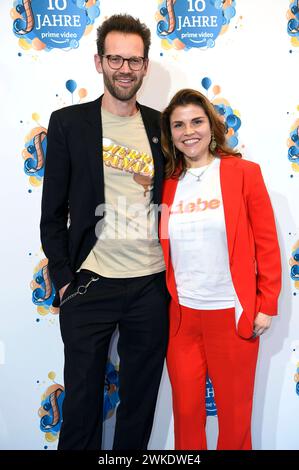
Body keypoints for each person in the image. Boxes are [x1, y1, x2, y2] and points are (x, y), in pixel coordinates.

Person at [40, 14, 169, 450]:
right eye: (115, 58)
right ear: (99, 62)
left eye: (134, 60)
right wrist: (63, 282)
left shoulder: (162, 125)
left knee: (139, 404)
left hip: (151, 286)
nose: (125, 69)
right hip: (89, 285)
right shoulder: (68, 123)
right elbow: (52, 214)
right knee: (79, 406)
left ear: (146, 65)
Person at [159, 88, 281, 450]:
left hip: (231, 314)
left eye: (196, 121)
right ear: (171, 134)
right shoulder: (166, 184)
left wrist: (267, 303)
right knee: (185, 417)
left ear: (211, 126)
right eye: (178, 125)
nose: (188, 131)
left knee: (235, 419)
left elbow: (267, 242)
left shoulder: (242, 173)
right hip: (181, 319)